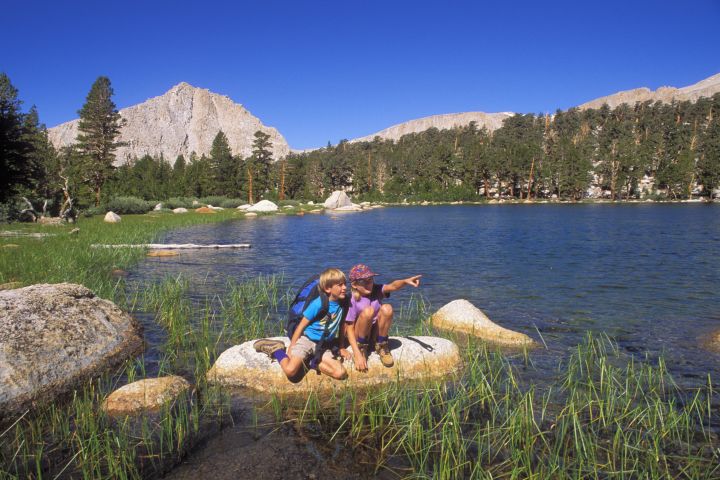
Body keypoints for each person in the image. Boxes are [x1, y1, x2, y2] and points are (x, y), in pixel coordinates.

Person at [253, 268, 349, 380]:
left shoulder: (343, 303)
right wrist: (292, 346)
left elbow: (342, 325)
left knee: (340, 373)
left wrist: (342, 347)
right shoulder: (318, 304)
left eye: (345, 284)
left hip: (323, 345)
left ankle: (311, 360)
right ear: (328, 288)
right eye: (340, 285)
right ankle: (277, 350)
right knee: (290, 371)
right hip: (306, 340)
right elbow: (301, 326)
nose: (345, 288)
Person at [343, 264, 422, 371]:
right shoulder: (352, 299)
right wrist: (356, 353)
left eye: (370, 280)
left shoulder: (377, 289)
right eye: (363, 281)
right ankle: (362, 347)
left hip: (374, 333)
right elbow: (349, 328)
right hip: (359, 335)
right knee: (368, 311)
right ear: (354, 285)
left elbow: (393, 286)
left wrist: (405, 281)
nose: (368, 284)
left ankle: (381, 345)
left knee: (387, 308)